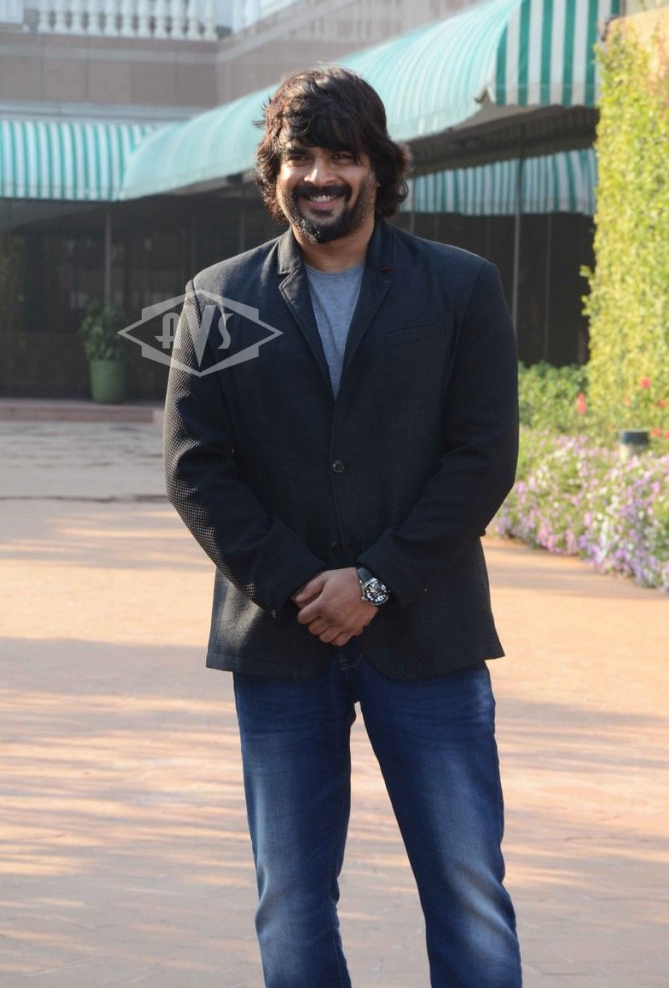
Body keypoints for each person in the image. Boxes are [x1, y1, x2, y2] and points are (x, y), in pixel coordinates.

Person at [164, 66, 522, 988]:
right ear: (274, 171)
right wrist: (300, 585)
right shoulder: (220, 298)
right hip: (280, 643)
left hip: (429, 635)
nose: (321, 176)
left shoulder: (461, 288)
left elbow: (482, 456)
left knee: (468, 887)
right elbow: (196, 466)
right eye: (300, 158)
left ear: (378, 168)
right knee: (290, 899)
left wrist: (375, 581)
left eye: (343, 157)